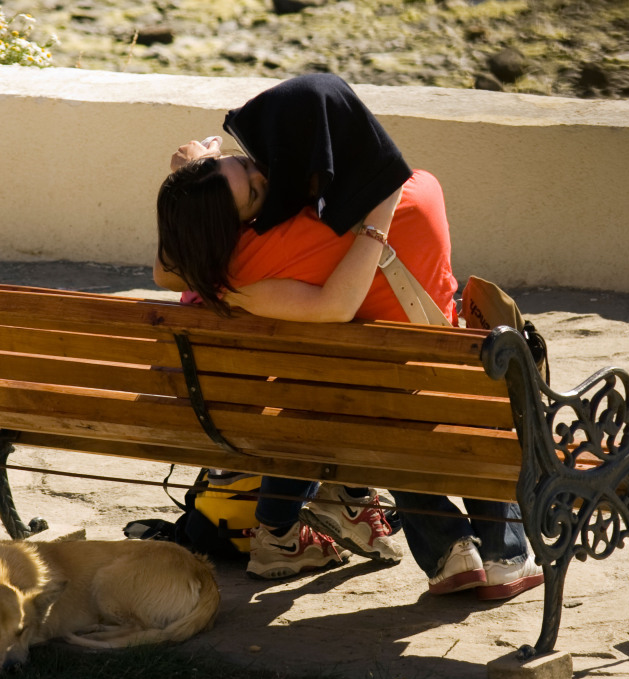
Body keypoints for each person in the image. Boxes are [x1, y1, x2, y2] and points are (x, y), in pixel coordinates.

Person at [154, 75, 543, 600]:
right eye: (251, 175)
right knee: (476, 376)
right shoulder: (422, 193)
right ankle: (505, 552)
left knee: (371, 397)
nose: (262, 167)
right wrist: (379, 213)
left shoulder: (247, 259)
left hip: (347, 407)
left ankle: (450, 550)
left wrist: (188, 177)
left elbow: (169, 270)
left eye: (253, 160)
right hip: (447, 395)